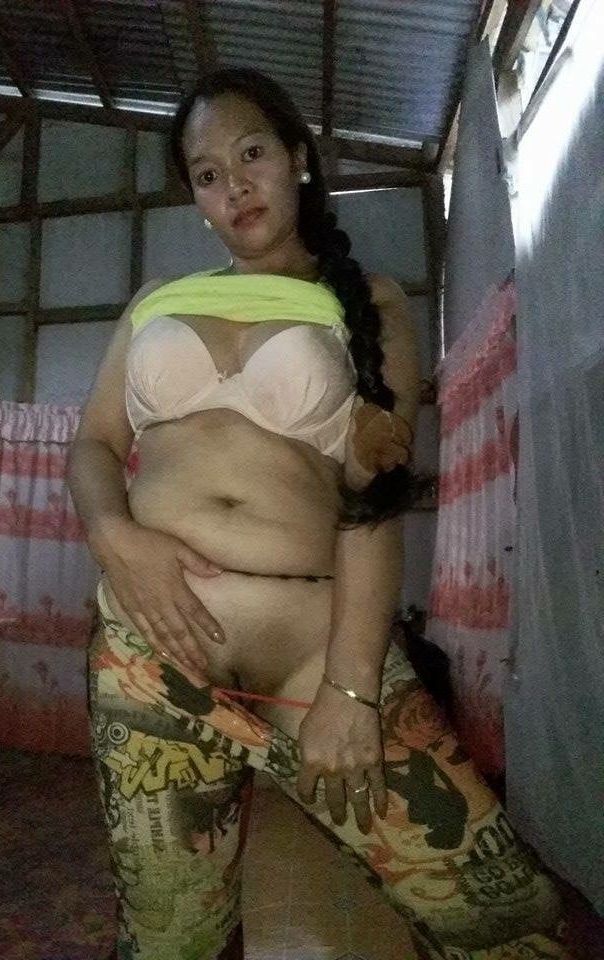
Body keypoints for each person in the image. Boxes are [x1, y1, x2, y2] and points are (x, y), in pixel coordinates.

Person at [67, 67, 571, 960]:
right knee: (171, 941)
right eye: (208, 174)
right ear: (196, 199)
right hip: (151, 649)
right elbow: (96, 445)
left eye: (251, 154)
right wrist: (114, 538)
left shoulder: (369, 302)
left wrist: (350, 686)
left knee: (502, 917)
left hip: (315, 656)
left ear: (297, 157)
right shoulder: (156, 303)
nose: (235, 186)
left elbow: (373, 495)